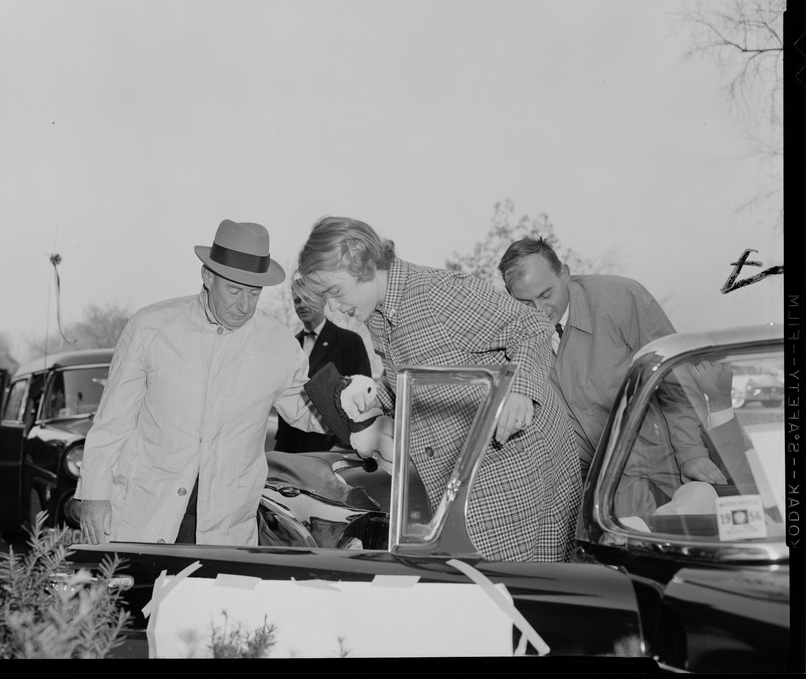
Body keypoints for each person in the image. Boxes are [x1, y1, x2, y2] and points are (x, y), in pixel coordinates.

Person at [294, 216, 581, 562]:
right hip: (467, 475)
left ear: (363, 263)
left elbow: (531, 326)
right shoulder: (380, 316)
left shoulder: (437, 294)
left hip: (518, 466)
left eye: (334, 293)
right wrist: (375, 398)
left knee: (511, 591)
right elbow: (418, 375)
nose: (333, 308)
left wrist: (520, 391)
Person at [76, 219, 341, 547]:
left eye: (254, 292)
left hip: (226, 527)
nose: (244, 305)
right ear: (207, 277)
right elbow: (112, 423)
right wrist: (93, 498)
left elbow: (306, 409)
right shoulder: (151, 327)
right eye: (234, 290)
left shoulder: (279, 343)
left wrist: (353, 408)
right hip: (145, 515)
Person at [498, 237, 726, 514]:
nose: (539, 311)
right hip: (599, 486)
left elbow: (674, 377)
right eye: (525, 302)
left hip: (667, 464)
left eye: (546, 295)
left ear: (565, 274)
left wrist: (691, 453)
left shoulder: (621, 298)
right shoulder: (511, 333)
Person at [273, 289, 372, 453]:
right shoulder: (289, 345)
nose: (302, 305)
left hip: (329, 447)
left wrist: (343, 446)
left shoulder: (349, 342)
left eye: (307, 299)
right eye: (297, 301)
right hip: (288, 445)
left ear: (323, 301)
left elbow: (364, 399)